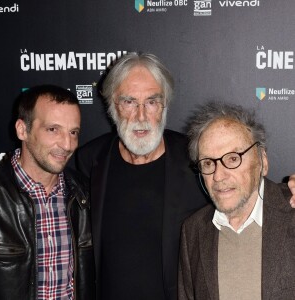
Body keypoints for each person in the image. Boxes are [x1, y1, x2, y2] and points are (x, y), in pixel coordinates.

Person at [76, 52, 208, 300]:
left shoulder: (196, 159)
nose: (141, 116)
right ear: (112, 106)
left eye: (151, 102)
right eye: (129, 102)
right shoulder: (89, 160)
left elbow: (241, 189)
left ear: (165, 104)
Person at [178, 102, 295, 300]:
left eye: (232, 159)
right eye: (207, 163)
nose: (218, 176)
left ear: (262, 162)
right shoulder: (193, 231)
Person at [0, 85, 95, 299]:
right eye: (53, 129)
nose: (67, 144)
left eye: (73, 132)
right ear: (22, 130)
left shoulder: (85, 195)